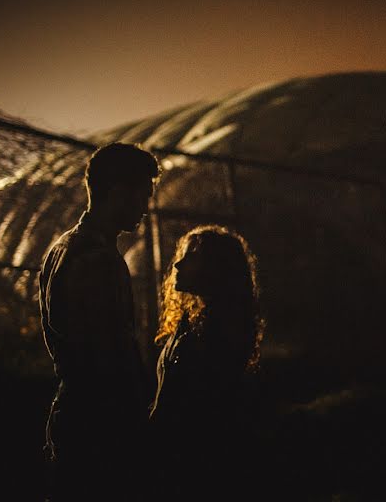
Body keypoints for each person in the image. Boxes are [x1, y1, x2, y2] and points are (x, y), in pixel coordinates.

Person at [38, 141, 160, 501]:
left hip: (74, 414)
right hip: (102, 427)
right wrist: (136, 424)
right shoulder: (99, 261)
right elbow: (110, 357)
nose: (146, 207)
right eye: (143, 195)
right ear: (119, 193)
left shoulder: (63, 247)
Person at [148, 224, 265, 495]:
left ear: (215, 268)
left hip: (196, 466)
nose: (177, 263)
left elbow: (200, 408)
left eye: (191, 257)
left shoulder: (220, 330)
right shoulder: (191, 324)